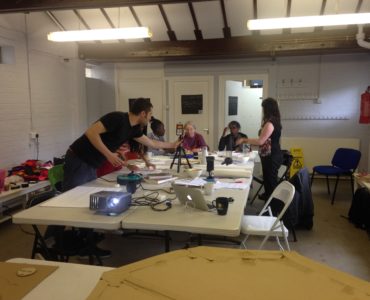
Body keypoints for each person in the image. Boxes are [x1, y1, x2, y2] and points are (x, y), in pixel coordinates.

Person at [63, 98, 178, 191]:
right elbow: (91, 132)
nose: (150, 118)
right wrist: (109, 155)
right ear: (143, 113)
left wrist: (173, 144)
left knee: (85, 195)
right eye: (150, 114)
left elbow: (152, 142)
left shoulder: (134, 129)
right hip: (79, 159)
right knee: (73, 195)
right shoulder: (117, 118)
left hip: (91, 164)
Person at [236, 98, 283, 200]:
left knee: (271, 182)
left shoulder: (270, 123)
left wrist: (244, 140)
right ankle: (268, 199)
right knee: (267, 179)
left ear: (267, 109)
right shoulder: (274, 120)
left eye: (263, 108)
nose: (263, 111)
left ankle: (273, 208)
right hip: (268, 155)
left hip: (272, 156)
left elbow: (260, 141)